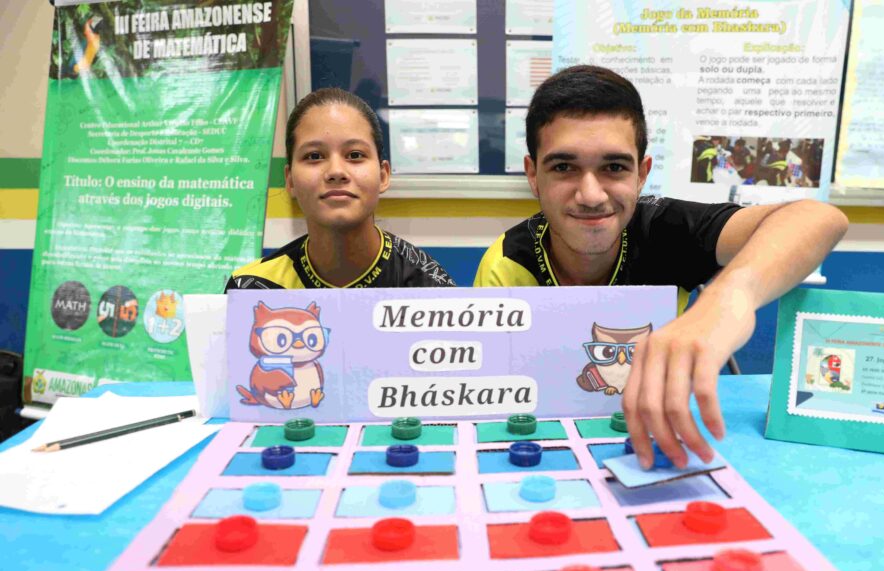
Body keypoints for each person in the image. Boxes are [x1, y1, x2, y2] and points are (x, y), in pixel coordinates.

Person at [473, 65, 847, 469]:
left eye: (614, 167)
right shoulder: (509, 264)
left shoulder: (667, 229)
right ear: (533, 175)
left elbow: (820, 218)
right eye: (563, 167)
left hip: (651, 446)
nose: (591, 194)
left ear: (642, 174)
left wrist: (728, 298)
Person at [226, 88, 455, 290]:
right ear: (290, 180)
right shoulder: (252, 289)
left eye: (355, 155)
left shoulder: (430, 288)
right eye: (314, 156)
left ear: (383, 175)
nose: (336, 171)